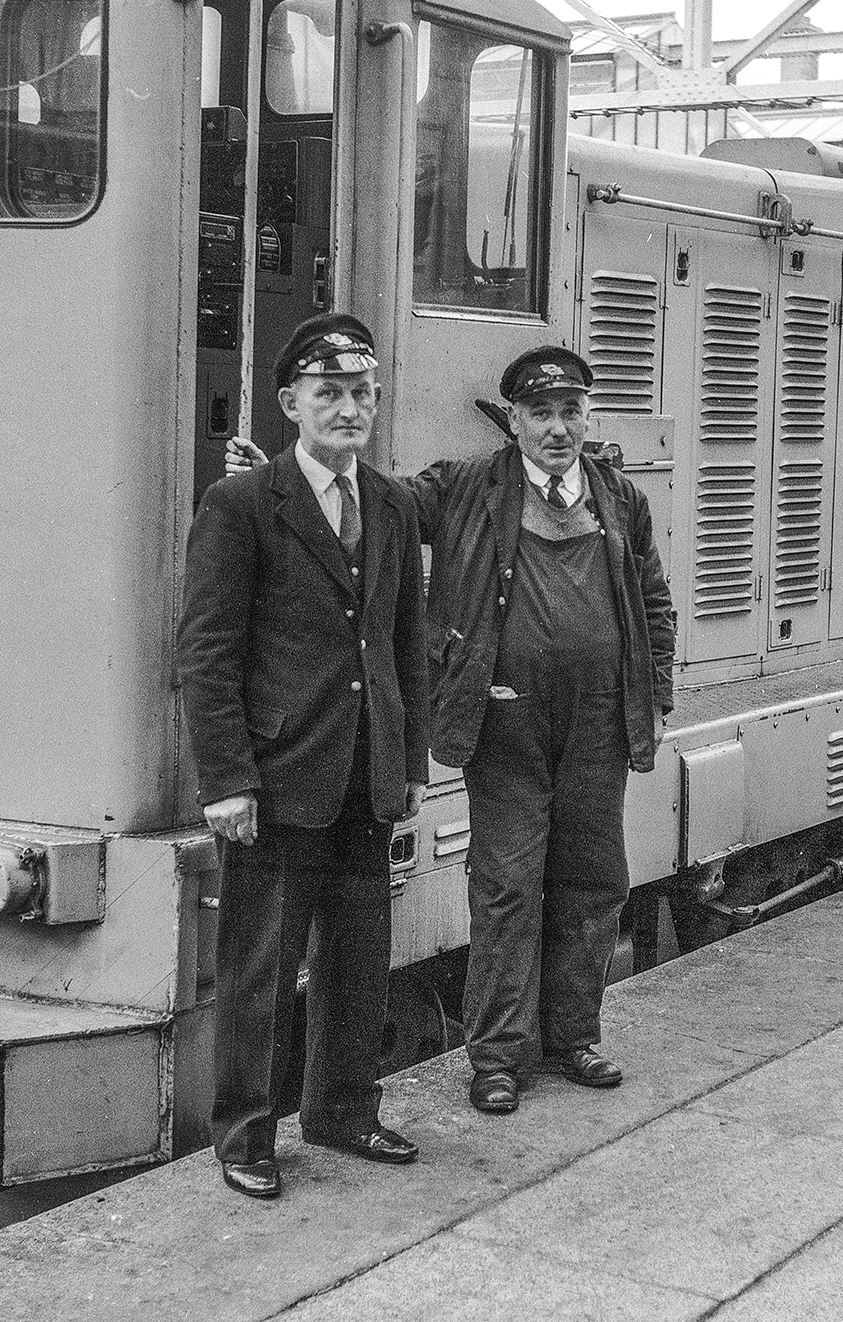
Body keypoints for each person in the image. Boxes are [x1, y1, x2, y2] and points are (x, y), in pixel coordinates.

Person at [226, 344, 675, 1118]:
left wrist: (657, 694)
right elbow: (368, 503)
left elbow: (654, 600)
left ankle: (573, 1037)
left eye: (572, 411)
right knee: (505, 887)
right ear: (514, 423)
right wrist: (276, 475)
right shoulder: (466, 487)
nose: (559, 428)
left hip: (600, 721)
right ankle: (500, 1058)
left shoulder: (619, 496)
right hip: (504, 723)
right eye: (542, 414)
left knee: (593, 883)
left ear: (587, 415)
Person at [177, 312, 429, 1199]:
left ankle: (342, 1111)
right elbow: (206, 653)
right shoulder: (243, 503)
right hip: (279, 780)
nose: (349, 409)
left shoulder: (392, 503)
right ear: (292, 403)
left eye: (361, 394)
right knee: (262, 966)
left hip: (366, 774)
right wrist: (227, 781)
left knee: (360, 956)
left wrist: (409, 764)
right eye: (330, 394)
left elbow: (404, 643)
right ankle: (246, 1135)